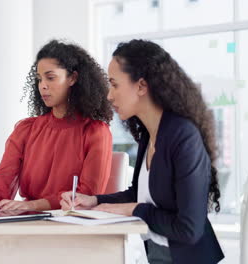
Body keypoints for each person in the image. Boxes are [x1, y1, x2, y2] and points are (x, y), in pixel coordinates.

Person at [60, 39, 225, 264]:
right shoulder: (150, 134)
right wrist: (94, 201)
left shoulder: (183, 137)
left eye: (114, 84)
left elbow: (189, 229)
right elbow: (139, 195)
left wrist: (136, 210)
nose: (109, 95)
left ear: (141, 86)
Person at [0, 39, 113, 211]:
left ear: (72, 78)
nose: (43, 86)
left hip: (71, 225)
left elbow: (86, 195)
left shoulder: (95, 132)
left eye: (50, 78)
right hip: (29, 222)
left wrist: (31, 205)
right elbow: (4, 179)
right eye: (39, 79)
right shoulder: (26, 129)